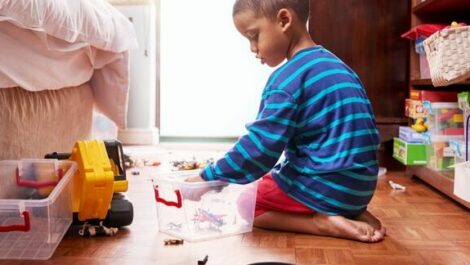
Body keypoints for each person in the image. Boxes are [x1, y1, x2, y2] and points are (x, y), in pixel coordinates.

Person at [186, 0, 386, 243]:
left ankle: (320, 222)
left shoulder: (287, 79)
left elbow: (260, 150)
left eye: (254, 36)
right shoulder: (339, 67)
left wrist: (210, 177)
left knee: (249, 204)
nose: (252, 48)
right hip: (360, 188)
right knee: (283, 175)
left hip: (326, 186)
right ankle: (349, 211)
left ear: (284, 20)